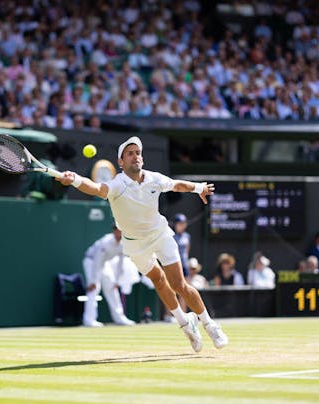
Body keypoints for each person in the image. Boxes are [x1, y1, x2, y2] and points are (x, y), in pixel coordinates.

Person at [56, 136, 228, 352]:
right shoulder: (117, 184)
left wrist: (198, 187)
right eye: (130, 153)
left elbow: (176, 185)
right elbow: (97, 189)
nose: (135, 156)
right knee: (158, 279)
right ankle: (185, 324)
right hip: (135, 245)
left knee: (178, 284)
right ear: (121, 162)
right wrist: (74, 179)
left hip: (160, 235)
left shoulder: (153, 178)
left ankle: (210, 325)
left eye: (138, 152)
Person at [82, 225, 136, 327]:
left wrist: (117, 281)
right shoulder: (105, 242)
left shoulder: (123, 244)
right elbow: (97, 262)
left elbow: (121, 264)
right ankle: (89, 320)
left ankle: (120, 318)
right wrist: (93, 281)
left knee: (112, 288)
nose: (120, 232)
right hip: (91, 261)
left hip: (104, 263)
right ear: (114, 231)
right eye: (118, 230)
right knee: (93, 289)